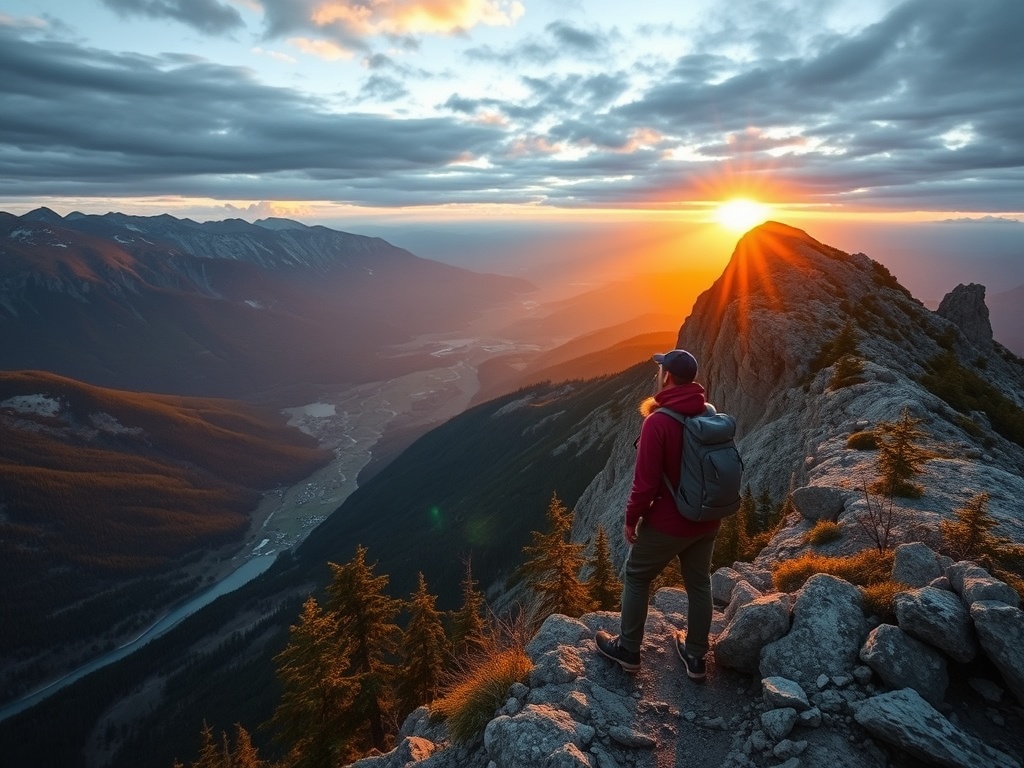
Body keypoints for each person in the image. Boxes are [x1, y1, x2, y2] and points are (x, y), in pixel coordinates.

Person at [595, 349, 720, 679]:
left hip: (669, 520)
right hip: (706, 519)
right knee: (699, 584)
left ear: (666, 376)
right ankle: (695, 657)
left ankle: (629, 650)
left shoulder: (658, 422)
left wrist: (630, 517)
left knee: (637, 575)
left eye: (661, 369)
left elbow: (645, 483)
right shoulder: (708, 412)